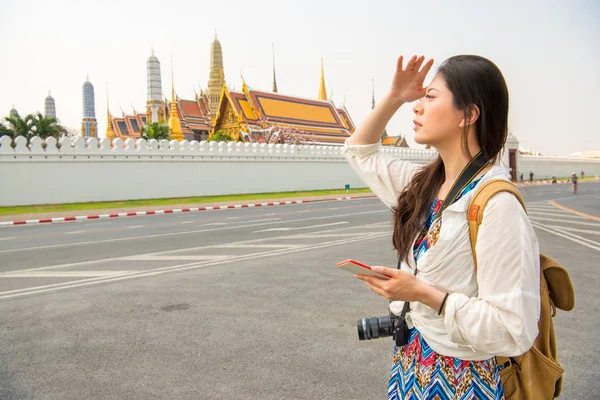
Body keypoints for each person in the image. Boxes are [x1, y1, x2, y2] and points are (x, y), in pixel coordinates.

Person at [343, 55, 540, 399]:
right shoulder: (423, 186)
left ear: (469, 114)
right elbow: (360, 152)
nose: (416, 108)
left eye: (430, 97)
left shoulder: (495, 205)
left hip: (461, 381)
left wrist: (421, 293)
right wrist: (393, 97)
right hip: (410, 368)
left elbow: (513, 329)